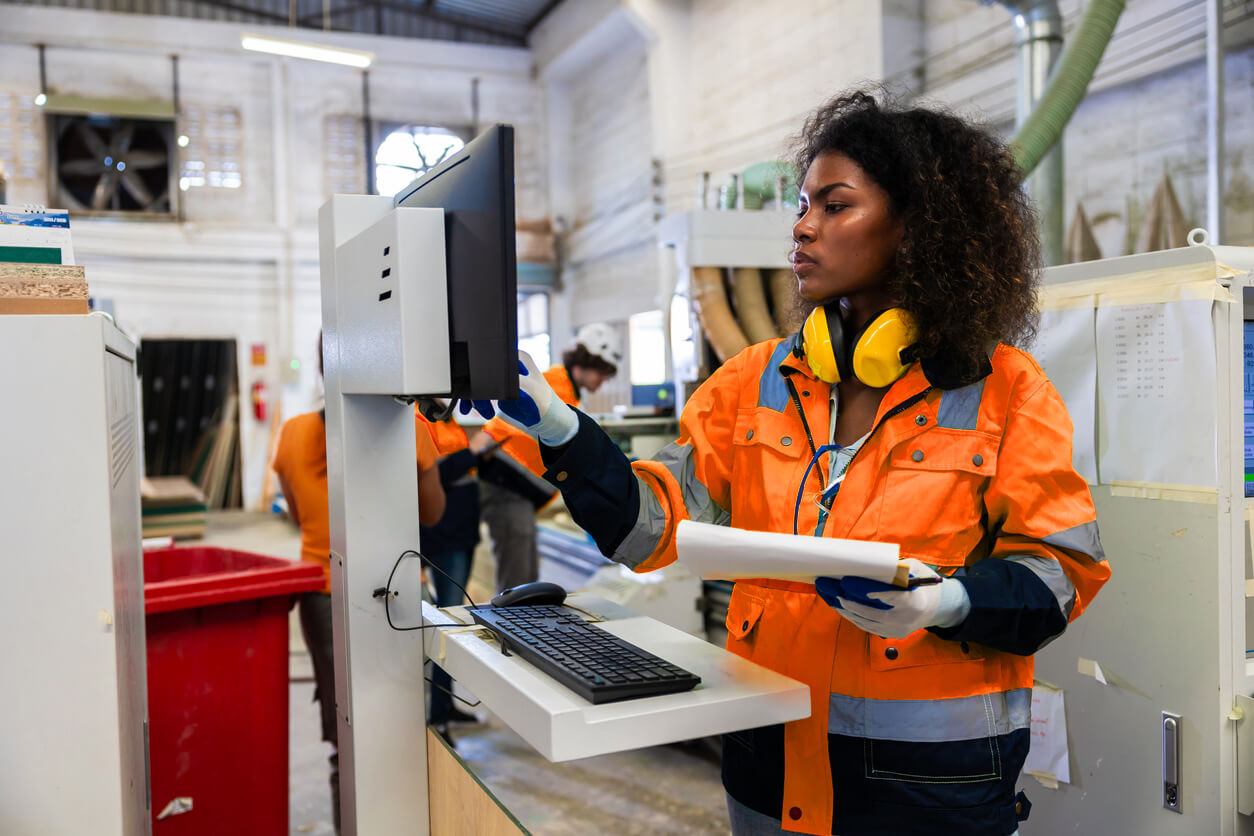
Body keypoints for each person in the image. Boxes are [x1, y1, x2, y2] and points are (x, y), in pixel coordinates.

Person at [468, 90, 1109, 836]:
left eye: (835, 206)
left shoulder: (1007, 392)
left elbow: (1062, 575)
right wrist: (559, 427)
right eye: (804, 205)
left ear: (917, 229)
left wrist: (946, 602)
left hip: (931, 790)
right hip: (767, 767)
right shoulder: (754, 382)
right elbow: (648, 532)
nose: (802, 227)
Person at [272, 335, 445, 835]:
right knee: (398, 724)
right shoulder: (406, 427)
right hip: (393, 594)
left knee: (343, 730)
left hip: (321, 594)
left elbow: (294, 511)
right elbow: (432, 514)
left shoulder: (292, 432)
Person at [478, 323, 622, 591]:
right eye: (602, 372)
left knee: (526, 573)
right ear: (585, 362)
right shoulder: (555, 385)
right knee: (518, 576)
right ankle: (512, 628)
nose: (603, 381)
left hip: (518, 491)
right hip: (506, 484)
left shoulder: (567, 391)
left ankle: (521, 627)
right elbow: (508, 425)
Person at [416, 403, 497, 743]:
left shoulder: (446, 418)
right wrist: (473, 451)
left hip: (461, 533)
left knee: (452, 625)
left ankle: (445, 705)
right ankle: (434, 719)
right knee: (443, 629)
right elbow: (438, 475)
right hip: (441, 537)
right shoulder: (418, 419)